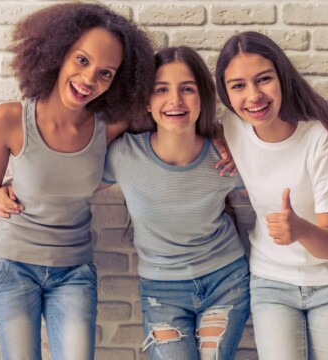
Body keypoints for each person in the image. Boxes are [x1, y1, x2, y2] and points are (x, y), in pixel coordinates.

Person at [0, 3, 156, 359]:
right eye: (82, 60)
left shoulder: (109, 128)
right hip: (11, 266)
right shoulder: (10, 118)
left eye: (106, 73)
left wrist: (219, 140)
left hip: (74, 271)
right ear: (59, 53)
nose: (89, 79)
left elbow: (173, 116)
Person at [99, 46, 250, 359]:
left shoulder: (227, 157)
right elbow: (64, 187)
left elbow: (280, 182)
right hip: (161, 291)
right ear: (146, 101)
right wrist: (9, 187)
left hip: (226, 281)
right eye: (161, 90)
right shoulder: (124, 155)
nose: (175, 101)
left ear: (202, 98)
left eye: (187, 89)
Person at [215, 31, 328, 360]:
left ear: (282, 78)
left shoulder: (320, 140)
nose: (253, 96)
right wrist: (221, 147)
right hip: (270, 281)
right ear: (226, 95)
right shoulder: (231, 125)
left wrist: (300, 229)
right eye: (238, 85)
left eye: (264, 79)